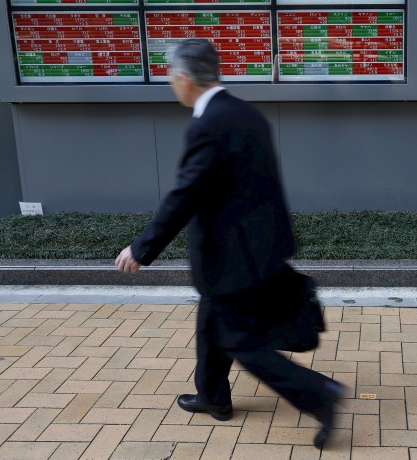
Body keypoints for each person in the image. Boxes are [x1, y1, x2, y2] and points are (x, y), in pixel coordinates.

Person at [115, 38, 343, 449]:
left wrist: (141, 248)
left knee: (236, 338)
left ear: (185, 78)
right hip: (259, 244)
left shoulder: (209, 124)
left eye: (171, 76)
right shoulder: (243, 111)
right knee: (211, 320)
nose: (170, 83)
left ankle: (318, 394)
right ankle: (213, 396)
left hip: (232, 254)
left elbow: (186, 194)